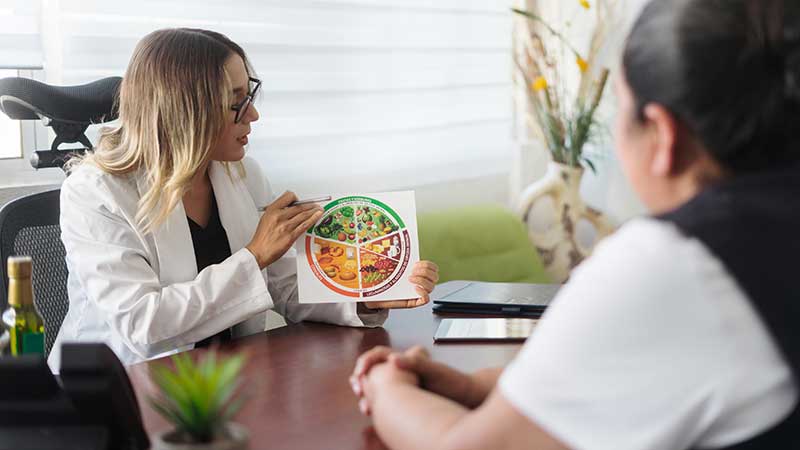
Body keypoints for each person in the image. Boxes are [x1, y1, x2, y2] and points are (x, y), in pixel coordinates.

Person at [350, 0, 800, 448]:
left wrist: (386, 386)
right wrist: (474, 388)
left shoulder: (673, 261)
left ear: (663, 134)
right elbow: (656, 371)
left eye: (619, 106)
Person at [49, 28, 439, 372]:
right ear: (187, 110)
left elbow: (284, 288)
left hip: (226, 377)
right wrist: (255, 255)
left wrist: (368, 295)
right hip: (118, 391)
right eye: (235, 101)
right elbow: (143, 325)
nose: (252, 114)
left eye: (247, 94)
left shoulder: (242, 174)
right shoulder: (95, 192)